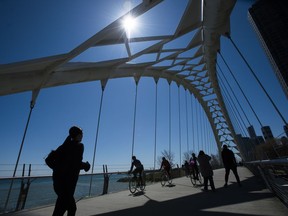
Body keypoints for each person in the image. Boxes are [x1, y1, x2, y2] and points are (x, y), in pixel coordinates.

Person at [45, 126, 91, 216]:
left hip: (58, 184)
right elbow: (76, 163)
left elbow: (48, 160)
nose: (82, 136)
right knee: (67, 209)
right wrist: (86, 166)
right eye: (82, 134)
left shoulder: (62, 147)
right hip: (67, 185)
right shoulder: (79, 146)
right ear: (77, 135)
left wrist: (58, 169)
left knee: (69, 208)